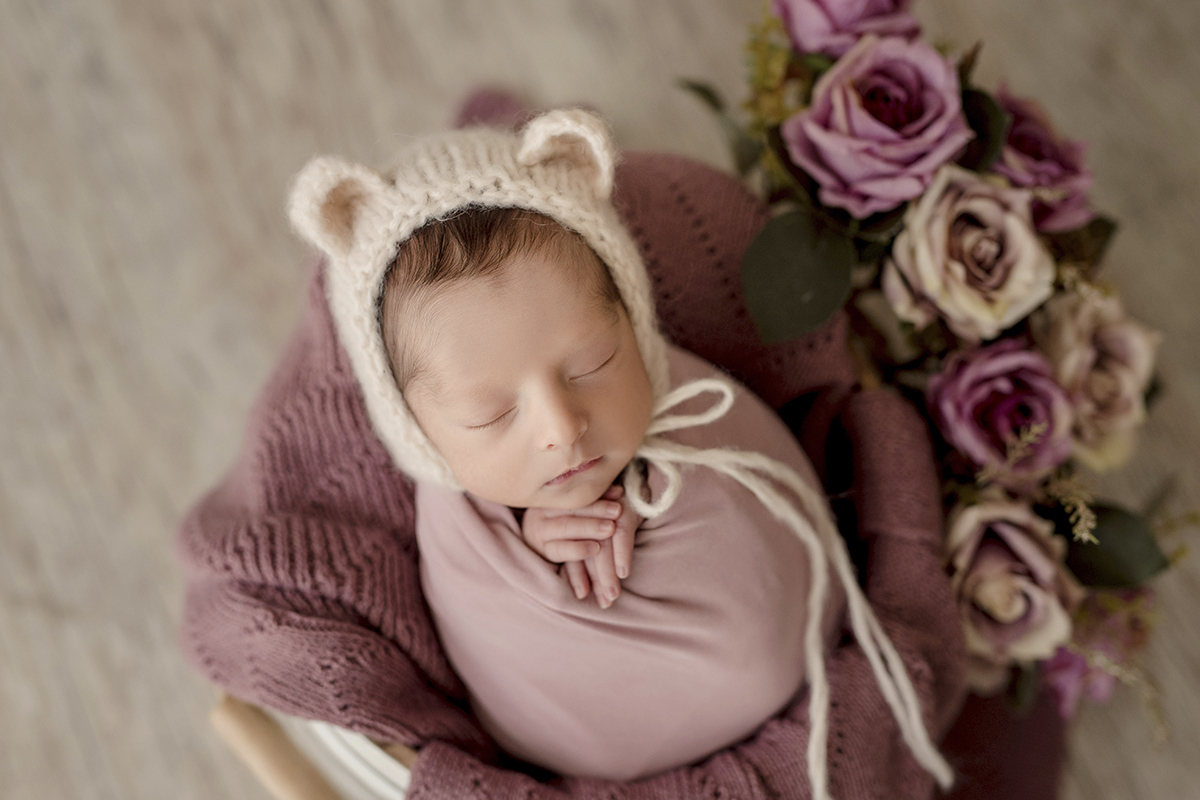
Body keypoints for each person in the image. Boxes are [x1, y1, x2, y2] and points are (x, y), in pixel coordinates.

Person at [280, 108, 952, 798]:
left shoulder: (698, 404)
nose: (562, 427)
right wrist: (527, 538)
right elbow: (497, 633)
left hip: (808, 645)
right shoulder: (457, 526)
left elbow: (771, 502)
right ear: (416, 430)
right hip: (594, 746)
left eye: (592, 363)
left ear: (634, 322)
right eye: (492, 414)